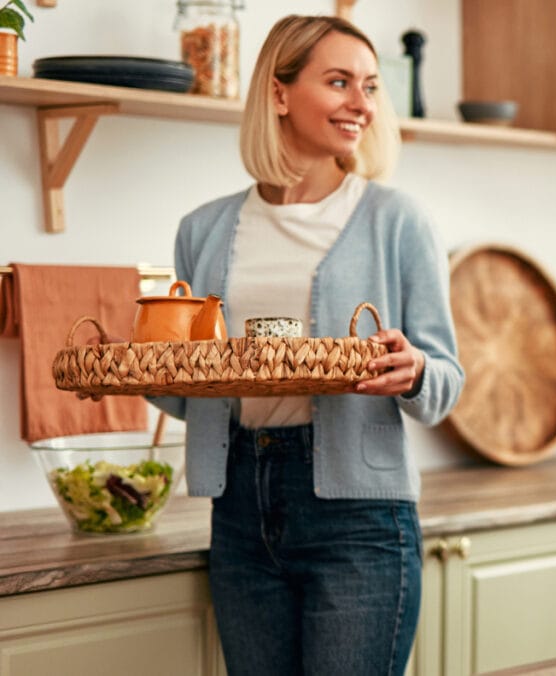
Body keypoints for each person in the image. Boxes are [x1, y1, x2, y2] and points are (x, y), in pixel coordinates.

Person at [148, 16, 463, 675]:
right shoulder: (202, 230)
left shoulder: (396, 220)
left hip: (359, 519)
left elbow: (445, 381)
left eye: (370, 87)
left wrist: (413, 371)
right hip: (238, 508)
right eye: (339, 82)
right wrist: (140, 373)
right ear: (280, 91)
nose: (362, 105)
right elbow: (198, 393)